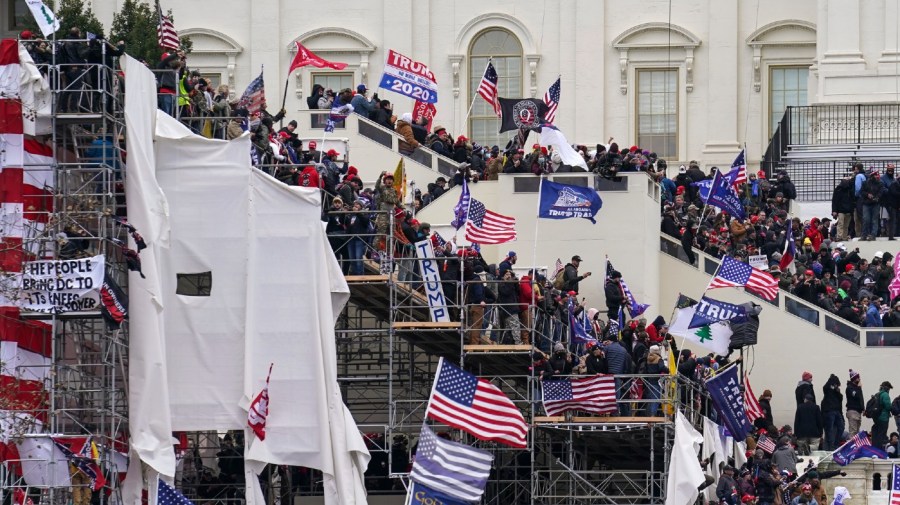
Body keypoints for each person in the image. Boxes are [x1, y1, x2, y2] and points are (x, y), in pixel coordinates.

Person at [821, 374, 844, 450]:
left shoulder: (836, 392)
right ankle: (832, 446)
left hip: (836, 411)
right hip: (830, 411)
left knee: (841, 427)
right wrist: (831, 380)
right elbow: (825, 388)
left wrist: (837, 391)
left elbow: (841, 399)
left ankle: (835, 444)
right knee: (829, 430)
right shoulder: (828, 389)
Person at [872, 381, 893, 448]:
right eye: (889, 388)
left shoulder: (877, 394)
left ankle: (875, 448)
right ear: (887, 387)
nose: (889, 390)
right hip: (883, 417)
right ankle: (880, 449)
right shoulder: (885, 395)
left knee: (877, 433)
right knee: (882, 433)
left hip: (876, 417)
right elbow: (888, 406)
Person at [846, 369, 864, 436]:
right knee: (853, 432)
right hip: (852, 411)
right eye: (858, 377)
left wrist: (863, 408)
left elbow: (861, 398)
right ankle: (852, 445)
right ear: (854, 378)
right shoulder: (849, 388)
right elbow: (856, 395)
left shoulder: (857, 388)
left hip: (858, 412)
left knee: (857, 432)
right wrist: (859, 388)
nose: (859, 379)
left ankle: (856, 446)